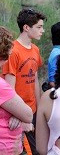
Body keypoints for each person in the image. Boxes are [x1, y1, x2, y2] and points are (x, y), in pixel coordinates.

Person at [2, 8, 46, 155]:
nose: (43, 30)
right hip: (18, 112)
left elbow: (34, 79)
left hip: (31, 110)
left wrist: (39, 108)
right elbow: (8, 86)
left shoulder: (35, 49)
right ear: (26, 27)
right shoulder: (13, 50)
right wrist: (17, 113)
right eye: (39, 27)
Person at [0, 26, 33, 154]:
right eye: (7, 56)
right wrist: (19, 114)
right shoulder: (1, 86)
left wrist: (15, 113)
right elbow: (28, 114)